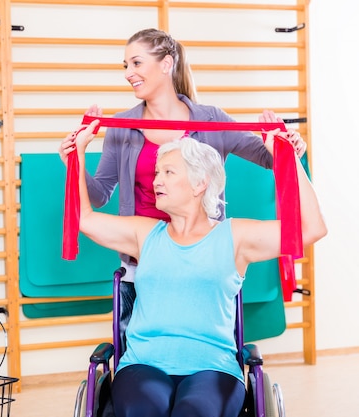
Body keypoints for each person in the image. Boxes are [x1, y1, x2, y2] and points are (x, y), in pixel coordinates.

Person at [58, 27, 307, 345]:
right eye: (125, 66)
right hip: (143, 261)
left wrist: (288, 148)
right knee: (142, 355)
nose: (128, 74)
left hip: (203, 260)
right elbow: (100, 194)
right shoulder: (122, 128)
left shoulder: (210, 119)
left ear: (166, 64)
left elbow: (268, 156)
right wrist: (74, 162)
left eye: (136, 63)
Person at [73, 118, 326, 417]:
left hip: (213, 368)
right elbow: (84, 219)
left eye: (168, 172)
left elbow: (312, 229)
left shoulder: (235, 238)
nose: (156, 181)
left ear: (200, 182)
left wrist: (290, 160)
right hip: (143, 364)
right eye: (156, 173)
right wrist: (78, 152)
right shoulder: (145, 234)